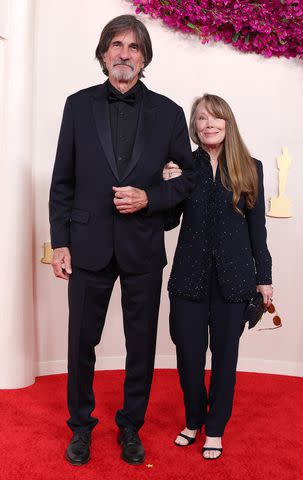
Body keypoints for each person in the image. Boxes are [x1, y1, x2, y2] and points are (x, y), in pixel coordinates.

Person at [49, 15, 195, 466]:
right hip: (87, 243)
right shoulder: (76, 106)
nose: (124, 54)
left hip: (142, 247)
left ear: (144, 57)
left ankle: (131, 426)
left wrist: (150, 197)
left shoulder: (169, 113)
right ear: (103, 53)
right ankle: (81, 427)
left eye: (134, 47)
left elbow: (190, 178)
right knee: (80, 343)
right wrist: (60, 242)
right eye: (116, 45)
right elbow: (62, 181)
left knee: (141, 343)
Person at [163, 94, 272, 460]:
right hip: (188, 279)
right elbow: (167, 222)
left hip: (235, 280)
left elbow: (259, 230)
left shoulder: (250, 167)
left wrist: (264, 278)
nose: (208, 124)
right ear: (194, 128)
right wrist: (168, 187)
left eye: (215, 118)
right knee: (188, 356)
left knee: (225, 357)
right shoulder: (183, 167)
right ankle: (193, 419)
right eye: (201, 119)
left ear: (228, 122)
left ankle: (215, 428)